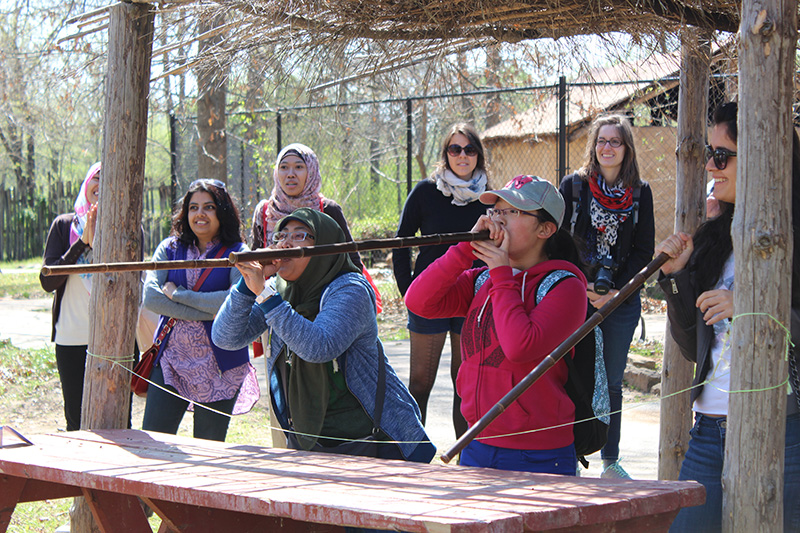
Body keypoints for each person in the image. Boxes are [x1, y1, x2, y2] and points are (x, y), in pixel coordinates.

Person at [656, 102, 800, 533]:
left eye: (721, 155)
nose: (711, 167)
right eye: (707, 153)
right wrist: (677, 278)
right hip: (709, 430)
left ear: (761, 157)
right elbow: (690, 344)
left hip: (785, 432)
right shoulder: (715, 235)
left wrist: (753, 311)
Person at [212, 208, 436, 464]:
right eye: (280, 236)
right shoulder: (279, 289)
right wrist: (246, 285)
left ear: (325, 246)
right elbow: (226, 338)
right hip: (308, 438)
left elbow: (319, 347)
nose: (284, 243)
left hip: (372, 438)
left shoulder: (351, 289)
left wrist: (265, 295)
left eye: (299, 236)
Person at [405, 175, 588, 474]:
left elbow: (520, 346)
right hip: (477, 440)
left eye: (512, 212)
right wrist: (465, 250)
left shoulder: (565, 287)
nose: (498, 220)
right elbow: (419, 301)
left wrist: (502, 274)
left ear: (546, 229)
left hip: (538, 452)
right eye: (496, 211)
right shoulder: (483, 279)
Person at [559, 114, 655, 479]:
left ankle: (610, 460)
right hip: (574, 295)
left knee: (612, 381)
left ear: (627, 148)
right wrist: (580, 284)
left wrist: (617, 291)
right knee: (571, 373)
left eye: (615, 141)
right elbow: (558, 240)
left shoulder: (640, 193)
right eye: (601, 140)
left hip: (622, 300)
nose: (607, 147)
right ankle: (568, 451)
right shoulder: (574, 186)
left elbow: (643, 250)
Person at [142, 179, 257, 442]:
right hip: (171, 361)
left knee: (208, 449)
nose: (199, 214)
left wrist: (180, 295)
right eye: (193, 207)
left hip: (221, 367)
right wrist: (211, 310)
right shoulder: (169, 249)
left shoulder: (238, 253)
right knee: (154, 441)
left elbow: (233, 302)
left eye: (208, 207)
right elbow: (151, 298)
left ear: (222, 212)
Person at [392, 122, 488, 439]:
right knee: (420, 381)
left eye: (469, 149)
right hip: (429, 297)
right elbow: (400, 244)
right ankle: (411, 454)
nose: (462, 155)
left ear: (479, 155)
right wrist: (410, 292)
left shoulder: (489, 196)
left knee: (466, 384)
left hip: (472, 298)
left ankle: (465, 461)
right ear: (445, 153)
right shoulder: (425, 192)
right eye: (454, 149)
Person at [40, 162, 102, 431]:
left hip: (114, 339)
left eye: (110, 178)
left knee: (118, 420)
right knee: (76, 421)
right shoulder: (64, 225)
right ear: (87, 183)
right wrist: (82, 243)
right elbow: (48, 281)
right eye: (97, 177)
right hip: (71, 338)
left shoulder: (129, 227)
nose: (102, 184)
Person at [252, 143, 363, 269]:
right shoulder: (266, 212)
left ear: (311, 171)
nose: (290, 174)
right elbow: (254, 263)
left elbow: (352, 262)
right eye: (284, 167)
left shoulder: (327, 210)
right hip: (271, 288)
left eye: (298, 167)